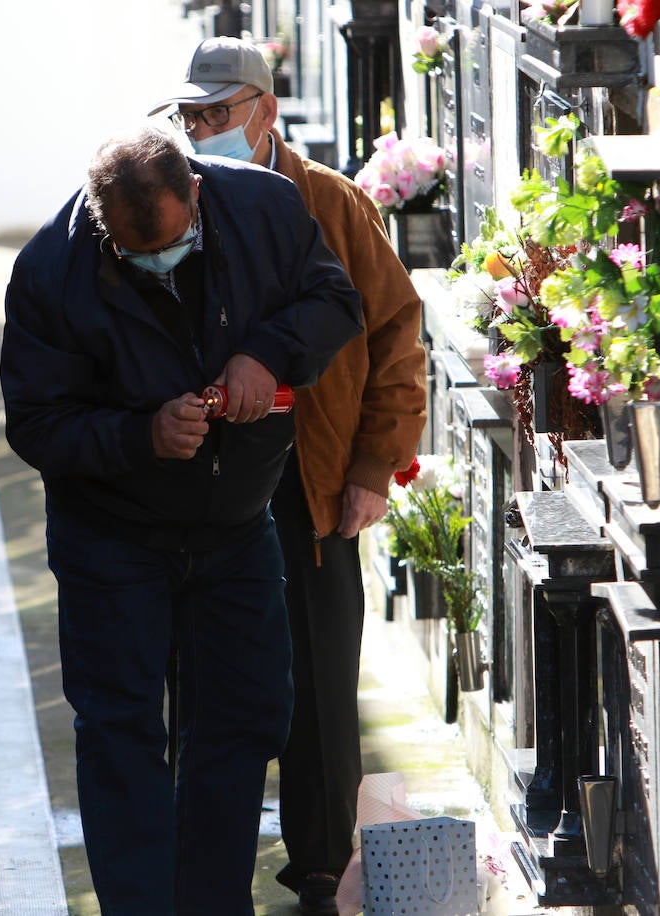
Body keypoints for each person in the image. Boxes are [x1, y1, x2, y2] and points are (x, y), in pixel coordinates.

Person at [0, 126, 364, 915]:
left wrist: (266, 352)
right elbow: (36, 423)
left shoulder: (263, 205)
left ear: (195, 193)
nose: (156, 261)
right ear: (102, 227)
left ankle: (212, 902)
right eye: (135, 252)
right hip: (112, 535)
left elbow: (336, 300)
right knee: (122, 732)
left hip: (236, 522)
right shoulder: (47, 272)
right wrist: (141, 435)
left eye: (169, 242)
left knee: (245, 717)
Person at [151, 37, 428, 916]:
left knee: (319, 682)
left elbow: (395, 334)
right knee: (202, 676)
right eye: (187, 115)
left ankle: (317, 866)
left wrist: (374, 465)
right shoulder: (168, 196)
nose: (199, 131)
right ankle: (201, 863)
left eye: (215, 114)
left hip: (310, 478)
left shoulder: (332, 203)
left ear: (264, 112)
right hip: (206, 478)